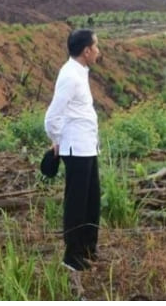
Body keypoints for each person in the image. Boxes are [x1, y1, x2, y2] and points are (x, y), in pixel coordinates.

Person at [44, 29, 102, 272]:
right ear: (86, 51)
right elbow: (52, 116)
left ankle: (88, 247)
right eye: (96, 46)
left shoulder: (79, 72)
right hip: (75, 148)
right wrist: (57, 140)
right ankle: (72, 256)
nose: (99, 51)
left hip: (87, 146)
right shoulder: (70, 75)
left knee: (91, 200)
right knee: (76, 203)